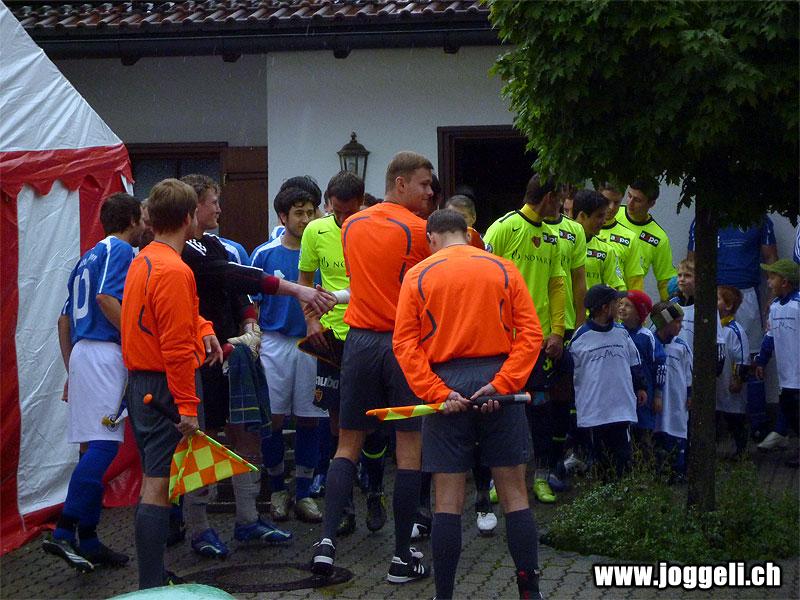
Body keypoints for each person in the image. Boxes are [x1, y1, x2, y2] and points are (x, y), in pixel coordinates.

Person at [393, 209, 545, 600]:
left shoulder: (418, 275)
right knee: (514, 494)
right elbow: (531, 334)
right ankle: (530, 591)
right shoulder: (504, 268)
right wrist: (504, 383)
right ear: (468, 233)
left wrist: (436, 392)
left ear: (431, 238)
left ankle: (444, 595)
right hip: (499, 381)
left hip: (446, 382)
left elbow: (405, 344)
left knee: (447, 499)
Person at [180, 174, 332, 556]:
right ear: (194, 206)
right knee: (204, 440)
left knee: (246, 434)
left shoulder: (213, 243)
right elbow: (231, 274)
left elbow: (238, 292)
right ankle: (198, 528)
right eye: (213, 201)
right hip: (201, 358)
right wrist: (293, 288)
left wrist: (249, 322)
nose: (219, 208)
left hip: (234, 353)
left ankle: (248, 520)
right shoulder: (182, 249)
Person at [310, 151, 433, 583]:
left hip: (360, 342)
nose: (430, 192)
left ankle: (326, 545)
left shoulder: (351, 226)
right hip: (402, 344)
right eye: (423, 184)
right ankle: (401, 558)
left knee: (347, 444)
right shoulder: (421, 231)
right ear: (400, 183)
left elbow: (363, 283)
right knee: (409, 449)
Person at [120, 179, 222, 588]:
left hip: (140, 384)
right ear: (188, 217)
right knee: (158, 485)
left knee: (154, 479)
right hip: (164, 386)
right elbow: (177, 349)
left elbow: (169, 316)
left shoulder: (145, 259)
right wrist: (188, 407)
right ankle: (150, 585)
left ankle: (154, 577)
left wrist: (204, 327)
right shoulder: (176, 270)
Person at [44, 193, 145, 572]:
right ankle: (63, 531)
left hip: (83, 353)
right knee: (104, 446)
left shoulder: (86, 256)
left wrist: (72, 370)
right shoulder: (119, 249)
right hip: (105, 353)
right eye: (141, 218)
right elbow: (105, 297)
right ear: (132, 220)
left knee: (91, 448)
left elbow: (63, 320)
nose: (144, 225)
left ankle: (87, 538)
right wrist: (138, 341)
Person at [298, 171, 388, 534]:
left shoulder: (375, 227)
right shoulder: (315, 231)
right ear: (328, 205)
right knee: (338, 420)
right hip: (332, 337)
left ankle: (375, 492)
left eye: (349, 212)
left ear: (362, 203)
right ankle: (345, 504)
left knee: (376, 419)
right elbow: (305, 281)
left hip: (370, 334)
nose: (342, 219)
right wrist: (311, 322)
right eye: (336, 212)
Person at [483, 173, 566, 504]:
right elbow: (482, 278)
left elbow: (556, 285)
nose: (562, 205)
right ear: (548, 197)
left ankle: (541, 477)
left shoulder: (553, 238)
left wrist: (557, 331)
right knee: (501, 409)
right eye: (559, 198)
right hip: (503, 340)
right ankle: (497, 479)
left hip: (537, 341)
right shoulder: (503, 228)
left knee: (541, 409)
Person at [251, 187, 329, 523]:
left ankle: (305, 492)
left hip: (313, 343)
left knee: (310, 417)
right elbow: (251, 302)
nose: (306, 219)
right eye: (299, 213)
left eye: (310, 212)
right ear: (283, 217)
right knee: (274, 418)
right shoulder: (264, 254)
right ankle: (277, 489)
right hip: (275, 343)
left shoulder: (323, 251)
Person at [564, 285, 647, 477]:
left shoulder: (622, 332)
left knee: (623, 456)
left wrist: (641, 386)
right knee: (600, 457)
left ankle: (622, 488)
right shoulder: (581, 337)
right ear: (604, 308)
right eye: (615, 303)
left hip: (621, 408)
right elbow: (570, 372)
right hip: (595, 410)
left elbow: (634, 362)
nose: (619, 307)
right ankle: (603, 489)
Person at [541, 187, 587, 492]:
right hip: (532, 328)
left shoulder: (574, 231)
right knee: (531, 402)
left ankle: (556, 463)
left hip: (565, 327)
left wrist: (580, 327)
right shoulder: (518, 227)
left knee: (561, 399)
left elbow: (579, 282)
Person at [687, 216, 777, 349]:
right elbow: (692, 261)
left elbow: (770, 257)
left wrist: (773, 294)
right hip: (713, 296)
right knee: (713, 350)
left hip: (747, 295)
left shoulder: (758, 217)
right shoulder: (705, 217)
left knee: (750, 350)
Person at [754, 260, 800, 467]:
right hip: (786, 373)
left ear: (785, 282)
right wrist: (761, 361)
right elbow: (770, 337)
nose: (769, 282)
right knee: (790, 409)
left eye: (772, 277)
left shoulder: (798, 305)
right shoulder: (774, 307)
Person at [617, 289, 665, 453]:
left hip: (644, 397)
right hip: (623, 395)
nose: (622, 308)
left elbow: (659, 365)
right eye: (620, 304)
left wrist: (658, 394)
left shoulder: (647, 337)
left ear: (639, 313)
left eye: (628, 305)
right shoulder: (616, 332)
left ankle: (645, 464)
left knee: (643, 436)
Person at [651, 301, 692, 479]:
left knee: (677, 432)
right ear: (664, 322)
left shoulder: (681, 346)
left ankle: (678, 470)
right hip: (657, 403)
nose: (680, 326)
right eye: (677, 322)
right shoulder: (651, 344)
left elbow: (689, 373)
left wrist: (690, 394)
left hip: (677, 400)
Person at [615, 179, 676, 300]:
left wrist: (669, 308)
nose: (630, 203)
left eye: (637, 200)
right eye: (629, 196)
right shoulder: (613, 214)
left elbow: (665, 281)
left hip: (627, 302)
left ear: (651, 203)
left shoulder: (658, 237)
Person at [715, 285, 750, 457]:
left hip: (731, 383)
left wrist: (738, 378)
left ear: (728, 305)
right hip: (717, 384)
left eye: (717, 299)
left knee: (735, 418)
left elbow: (742, 357)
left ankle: (741, 451)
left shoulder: (735, 330)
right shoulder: (714, 328)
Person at [573, 189, 625, 291]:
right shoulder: (561, 242)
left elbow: (615, 291)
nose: (604, 221)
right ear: (582, 216)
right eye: (599, 216)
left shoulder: (607, 251)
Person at [596, 183, 645, 291]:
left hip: (617, 299)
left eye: (616, 202)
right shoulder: (580, 230)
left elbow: (635, 281)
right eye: (607, 201)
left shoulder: (630, 238)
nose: (611, 207)